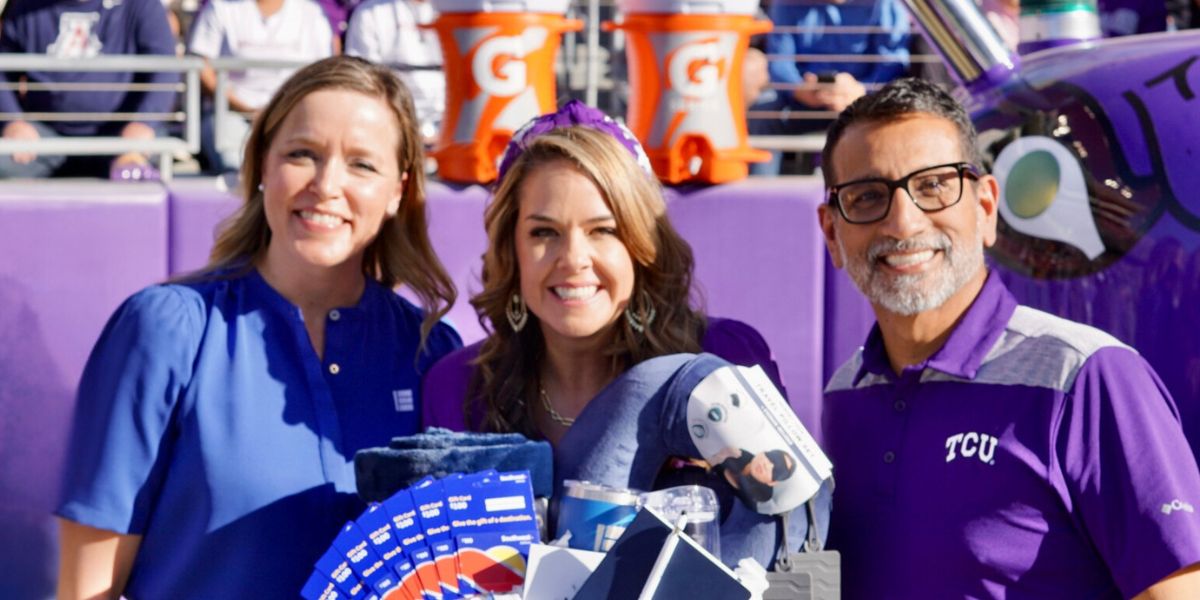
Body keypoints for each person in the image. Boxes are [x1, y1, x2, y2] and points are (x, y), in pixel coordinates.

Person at [55, 56, 461, 599]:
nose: (326, 184)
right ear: (263, 166)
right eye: (302, 154)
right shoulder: (165, 330)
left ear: (397, 192)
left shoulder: (432, 353)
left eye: (362, 165)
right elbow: (87, 589)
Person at [818, 77, 1200, 599]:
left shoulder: (1089, 377)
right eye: (867, 196)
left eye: (933, 186)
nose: (903, 223)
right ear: (831, 232)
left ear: (986, 206)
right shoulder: (846, 394)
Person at [0, 0, 178, 180]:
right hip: (43, 137)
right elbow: (3, 72)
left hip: (120, 135)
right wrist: (13, 121)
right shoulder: (25, 7)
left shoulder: (141, 4)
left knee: (135, 173)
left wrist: (143, 123)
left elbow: (165, 69)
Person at [748, 0, 909, 175]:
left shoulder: (884, 4)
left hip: (865, 103)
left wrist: (862, 91)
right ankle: (761, 193)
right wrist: (799, 89)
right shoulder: (785, 4)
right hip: (803, 102)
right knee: (762, 112)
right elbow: (779, 63)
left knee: (893, 114)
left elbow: (893, 64)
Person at [188, 0, 335, 173]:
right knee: (237, 168)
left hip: (293, 114)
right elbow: (201, 68)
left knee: (300, 169)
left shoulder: (311, 12)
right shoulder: (220, 7)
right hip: (231, 114)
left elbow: (321, 72)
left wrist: (281, 112)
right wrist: (247, 110)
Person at [345, 0, 445, 143]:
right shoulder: (368, 13)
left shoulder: (463, 9)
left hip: (452, 128)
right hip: (393, 129)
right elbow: (361, 83)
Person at [711, 447, 796, 504]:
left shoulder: (753, 500)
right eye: (772, 458)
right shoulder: (734, 454)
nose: (767, 466)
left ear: (772, 482)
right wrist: (717, 458)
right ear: (761, 453)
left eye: (776, 471)